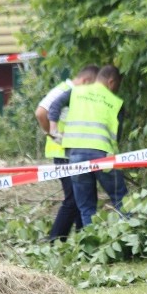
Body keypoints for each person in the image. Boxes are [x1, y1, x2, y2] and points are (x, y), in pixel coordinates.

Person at [47, 64, 127, 227]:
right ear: (111, 82)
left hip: (75, 156)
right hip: (103, 156)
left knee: (86, 207)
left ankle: (91, 246)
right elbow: (117, 136)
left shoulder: (76, 92)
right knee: (121, 199)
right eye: (117, 86)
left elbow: (54, 107)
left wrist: (54, 131)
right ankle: (129, 237)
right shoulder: (116, 102)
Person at [35, 64, 99, 241]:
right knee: (72, 199)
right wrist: (52, 134)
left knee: (81, 198)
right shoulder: (63, 90)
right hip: (62, 152)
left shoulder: (73, 92)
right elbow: (41, 113)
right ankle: (55, 239)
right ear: (86, 81)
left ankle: (81, 238)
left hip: (74, 151)